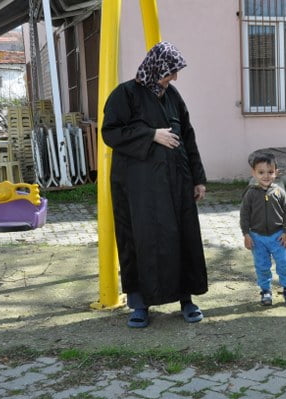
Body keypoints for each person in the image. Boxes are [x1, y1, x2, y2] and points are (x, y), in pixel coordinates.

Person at [102, 41, 208, 328]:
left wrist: (198, 178)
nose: (173, 78)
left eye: (174, 73)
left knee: (183, 239)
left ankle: (186, 299)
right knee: (141, 239)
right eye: (170, 72)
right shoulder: (124, 94)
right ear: (155, 67)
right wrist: (150, 135)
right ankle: (140, 304)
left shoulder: (172, 95)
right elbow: (110, 132)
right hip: (139, 190)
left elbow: (187, 135)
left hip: (177, 183)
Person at [240, 153, 286, 306]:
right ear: (254, 173)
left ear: (276, 172)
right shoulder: (250, 193)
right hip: (257, 238)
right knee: (262, 266)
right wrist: (246, 234)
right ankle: (265, 290)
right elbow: (244, 215)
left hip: (278, 236)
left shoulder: (279, 192)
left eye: (270, 172)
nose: (266, 176)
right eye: (261, 172)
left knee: (284, 264)